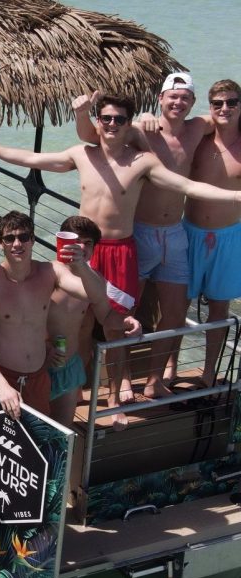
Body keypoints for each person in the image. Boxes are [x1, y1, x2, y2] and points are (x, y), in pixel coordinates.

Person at [0, 95, 241, 414]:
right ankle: (75, 386)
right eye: (106, 119)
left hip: (121, 252)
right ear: (97, 122)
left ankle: (117, 391)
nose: (112, 124)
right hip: (81, 251)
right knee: (75, 323)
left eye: (119, 119)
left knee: (117, 324)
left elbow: (187, 186)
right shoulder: (81, 154)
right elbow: (34, 159)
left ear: (128, 123)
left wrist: (235, 195)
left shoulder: (142, 161)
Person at [73, 74, 213, 397]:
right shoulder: (138, 130)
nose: (178, 102)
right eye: (171, 97)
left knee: (175, 314)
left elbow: (227, 114)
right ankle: (118, 382)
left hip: (175, 232)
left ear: (193, 102)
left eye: (185, 97)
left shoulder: (197, 128)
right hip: (140, 233)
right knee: (123, 315)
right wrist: (84, 113)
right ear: (160, 99)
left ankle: (154, 381)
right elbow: (93, 135)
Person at [0, 211, 140, 424]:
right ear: (0, 242)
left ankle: (111, 406)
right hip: (20, 372)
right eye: (9, 238)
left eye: (24, 237)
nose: (17, 243)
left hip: (54, 369)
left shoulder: (59, 275)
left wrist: (124, 321)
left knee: (52, 436)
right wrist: (3, 383)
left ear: (33, 240)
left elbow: (99, 302)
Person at [47, 215, 141, 426]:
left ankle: (112, 400)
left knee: (61, 432)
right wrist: (43, 346)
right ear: (62, 241)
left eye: (88, 243)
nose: (81, 246)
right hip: (41, 364)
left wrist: (127, 322)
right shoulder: (46, 274)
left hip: (68, 368)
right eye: (76, 241)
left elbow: (106, 316)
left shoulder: (94, 281)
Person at [184, 79, 241, 387]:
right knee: (177, 304)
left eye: (232, 102)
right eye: (218, 103)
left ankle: (208, 371)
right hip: (189, 232)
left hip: (229, 237)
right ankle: (169, 367)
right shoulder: (199, 136)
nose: (225, 108)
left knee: (219, 308)